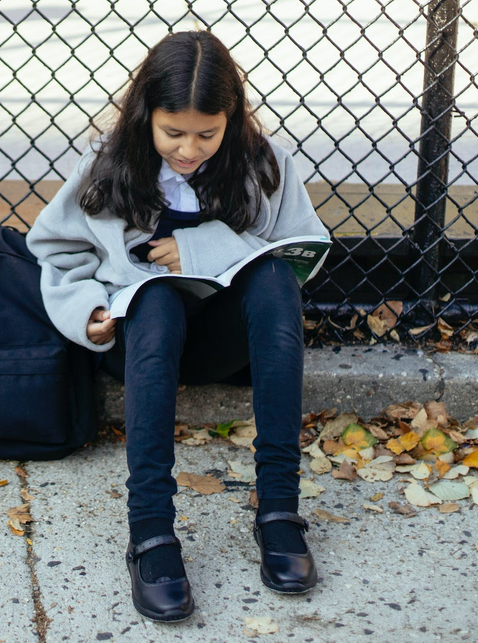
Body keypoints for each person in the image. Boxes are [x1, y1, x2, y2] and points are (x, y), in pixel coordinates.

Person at [25, 30, 329, 622]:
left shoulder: (266, 165)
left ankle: (279, 511)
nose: (189, 149)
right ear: (145, 116)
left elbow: (296, 250)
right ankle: (151, 532)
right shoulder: (107, 167)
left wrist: (203, 248)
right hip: (136, 340)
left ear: (232, 119)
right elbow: (57, 252)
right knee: (158, 298)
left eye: (206, 134)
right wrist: (85, 309)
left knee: (273, 284)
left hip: (220, 345)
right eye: (173, 133)